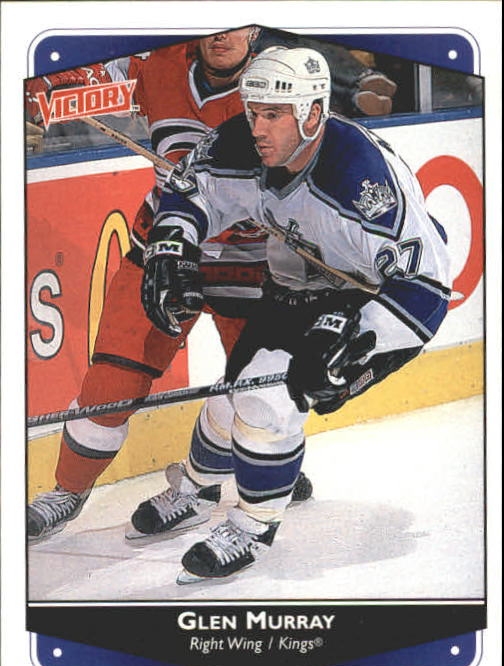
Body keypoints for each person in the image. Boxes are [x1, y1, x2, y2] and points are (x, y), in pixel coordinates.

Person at [25, 29, 397, 542]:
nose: (222, 34)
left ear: (254, 28)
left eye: (236, 22)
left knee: (261, 386)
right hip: (164, 249)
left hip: (255, 259)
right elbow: (80, 80)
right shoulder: (156, 63)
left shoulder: (277, 81)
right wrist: (37, 88)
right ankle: (66, 491)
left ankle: (245, 470)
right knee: (112, 380)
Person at [138, 45, 452, 583]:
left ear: (313, 113)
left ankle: (253, 527)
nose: (257, 128)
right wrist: (171, 242)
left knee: (269, 402)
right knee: (231, 398)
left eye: (273, 115)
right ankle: (197, 487)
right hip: (291, 286)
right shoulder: (245, 141)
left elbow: (428, 285)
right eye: (253, 111)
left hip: (369, 302)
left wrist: (359, 340)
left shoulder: (362, 182)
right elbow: (192, 188)